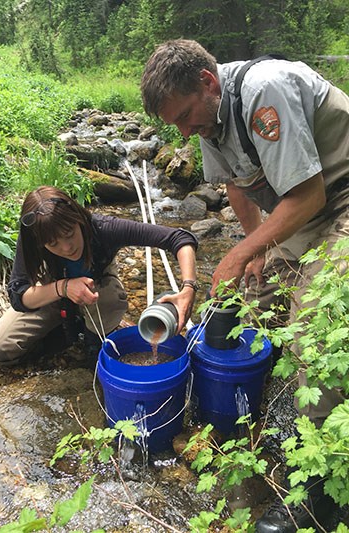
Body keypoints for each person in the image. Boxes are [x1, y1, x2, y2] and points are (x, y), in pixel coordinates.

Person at [141, 39, 349, 532]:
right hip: (300, 214)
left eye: (186, 117)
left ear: (208, 83)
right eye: (175, 124)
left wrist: (241, 251)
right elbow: (236, 186)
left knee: (311, 332)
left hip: (338, 201)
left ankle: (322, 494)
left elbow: (310, 192)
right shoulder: (207, 117)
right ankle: (247, 402)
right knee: (239, 303)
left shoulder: (263, 90)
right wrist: (254, 251)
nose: (185, 131)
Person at [0, 185, 198, 367]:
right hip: (52, 291)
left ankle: (94, 338)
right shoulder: (33, 238)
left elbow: (179, 238)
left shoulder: (104, 228)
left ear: (78, 218)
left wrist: (188, 288)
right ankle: (58, 330)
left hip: (98, 288)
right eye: (53, 244)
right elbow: (18, 296)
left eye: (69, 234)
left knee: (106, 308)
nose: (66, 248)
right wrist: (63, 288)